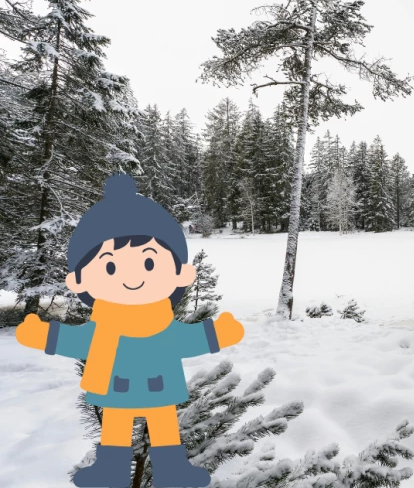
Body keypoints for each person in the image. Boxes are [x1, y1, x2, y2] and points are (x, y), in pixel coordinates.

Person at [15, 174, 244, 488]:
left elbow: (185, 339)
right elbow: (79, 340)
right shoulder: (103, 327)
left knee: (163, 426)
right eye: (110, 266)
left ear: (178, 273)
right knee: (116, 427)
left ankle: (172, 471)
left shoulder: (162, 325)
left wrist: (217, 334)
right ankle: (110, 470)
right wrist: (43, 336)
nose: (133, 276)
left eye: (150, 263)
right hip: (118, 387)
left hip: (157, 387)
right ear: (80, 280)